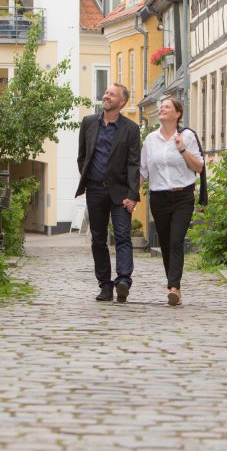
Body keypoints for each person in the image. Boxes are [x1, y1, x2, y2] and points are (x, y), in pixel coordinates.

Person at [76, 83, 141, 302]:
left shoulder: (131, 129)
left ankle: (123, 281)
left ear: (122, 102)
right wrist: (88, 179)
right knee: (98, 239)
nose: (106, 96)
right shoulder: (88, 123)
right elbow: (82, 156)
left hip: (120, 192)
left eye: (111, 95)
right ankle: (105, 285)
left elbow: (134, 164)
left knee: (122, 236)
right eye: (105, 93)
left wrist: (133, 195)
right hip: (95, 190)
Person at [140, 97, 204, 306]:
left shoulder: (187, 136)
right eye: (161, 107)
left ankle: (174, 287)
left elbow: (199, 167)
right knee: (166, 243)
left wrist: (182, 149)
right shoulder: (150, 140)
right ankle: (173, 285)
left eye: (167, 107)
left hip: (182, 196)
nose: (162, 109)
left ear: (178, 113)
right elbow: (143, 171)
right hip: (159, 198)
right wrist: (129, 194)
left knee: (176, 240)